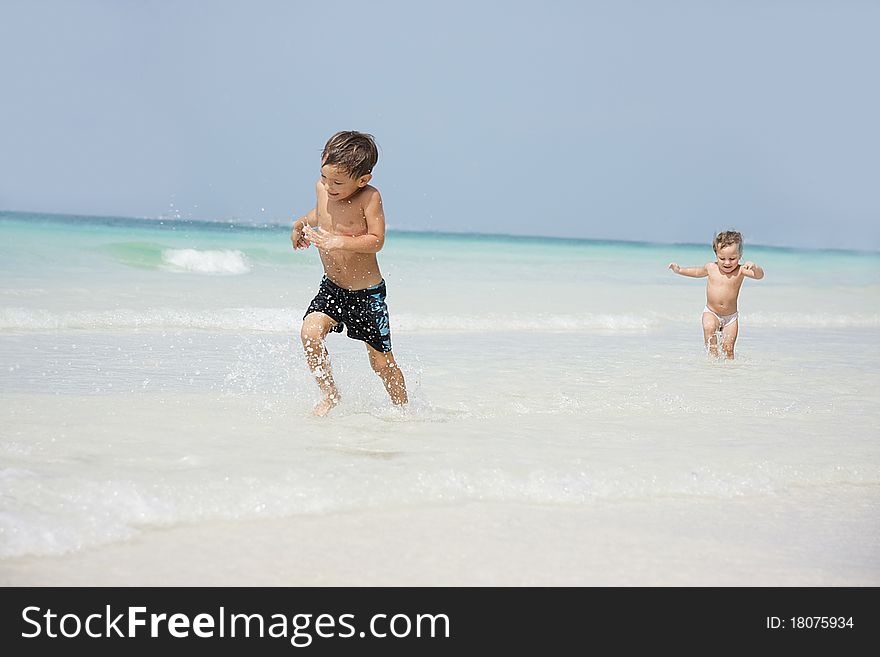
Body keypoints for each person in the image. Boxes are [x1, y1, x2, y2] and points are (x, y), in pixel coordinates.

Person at [290, 131, 407, 415]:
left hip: (366, 295)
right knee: (310, 333)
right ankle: (330, 395)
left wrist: (339, 241)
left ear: (363, 180)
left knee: (381, 364)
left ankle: (405, 411)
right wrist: (300, 224)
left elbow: (376, 240)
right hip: (332, 287)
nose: (329, 186)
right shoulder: (323, 189)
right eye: (324, 177)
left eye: (338, 183)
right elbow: (321, 213)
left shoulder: (370, 198)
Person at [668, 230, 764, 359]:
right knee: (709, 329)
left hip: (731, 317)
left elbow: (759, 276)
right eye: (722, 258)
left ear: (740, 255)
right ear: (716, 254)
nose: (727, 263)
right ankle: (713, 363)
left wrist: (755, 267)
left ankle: (728, 372)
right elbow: (696, 272)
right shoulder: (711, 267)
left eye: (732, 258)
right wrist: (679, 270)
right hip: (711, 312)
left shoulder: (741, 271)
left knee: (728, 348)